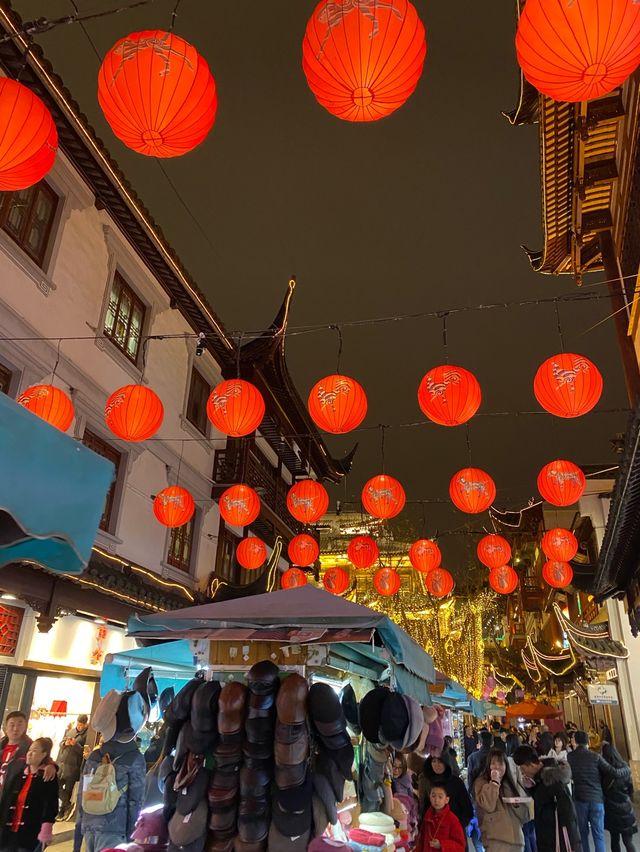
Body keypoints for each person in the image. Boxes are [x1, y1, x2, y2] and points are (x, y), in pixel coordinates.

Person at [81, 734, 146, 852]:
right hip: (115, 827)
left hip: (90, 824)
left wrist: (80, 824)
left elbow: (83, 791)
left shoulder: (94, 756)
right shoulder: (135, 758)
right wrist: (132, 833)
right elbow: (135, 800)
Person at [568, 730, 629, 852]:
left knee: (583, 834)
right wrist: (626, 770)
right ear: (588, 742)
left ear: (575, 741)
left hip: (580, 800)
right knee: (598, 835)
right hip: (596, 800)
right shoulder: (595, 756)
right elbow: (613, 772)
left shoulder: (571, 757)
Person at [513, 744, 580, 852]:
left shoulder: (553, 781)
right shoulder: (540, 779)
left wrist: (568, 845)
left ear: (532, 765)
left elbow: (568, 816)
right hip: (546, 835)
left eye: (522, 768)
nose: (522, 772)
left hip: (557, 838)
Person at [0, 737, 59, 852]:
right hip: (8, 834)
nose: (29, 754)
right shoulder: (18, 774)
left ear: (44, 755)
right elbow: (7, 798)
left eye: (35, 751)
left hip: (30, 834)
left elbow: (51, 804)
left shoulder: (47, 776)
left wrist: (46, 828)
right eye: (29, 750)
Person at [474, 749, 529, 852]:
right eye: (493, 763)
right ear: (488, 765)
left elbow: (525, 817)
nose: (497, 767)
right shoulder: (481, 783)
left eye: (501, 763)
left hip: (517, 842)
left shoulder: (510, 783)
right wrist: (494, 782)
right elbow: (488, 806)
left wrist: (517, 805)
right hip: (495, 842)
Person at [0, 712, 56, 806]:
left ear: (25, 727)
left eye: (20, 724)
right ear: (5, 727)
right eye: (12, 724)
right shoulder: (2, 746)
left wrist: (51, 765)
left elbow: (46, 759)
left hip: (13, 800)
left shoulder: (30, 747)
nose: (15, 728)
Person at [419, 754, 473, 831]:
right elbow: (423, 807)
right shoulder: (425, 781)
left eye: (440, 761)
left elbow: (467, 809)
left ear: (446, 762)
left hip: (455, 829)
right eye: (434, 761)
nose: (436, 765)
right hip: (432, 830)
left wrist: (458, 826)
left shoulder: (456, 782)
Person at [601, 742, 637, 852]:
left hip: (612, 809)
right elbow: (631, 789)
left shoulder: (605, 772)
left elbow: (603, 791)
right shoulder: (626, 769)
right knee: (628, 841)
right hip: (626, 808)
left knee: (614, 839)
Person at [416, 783, 466, 852]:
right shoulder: (427, 816)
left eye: (440, 797)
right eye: (433, 796)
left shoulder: (453, 820)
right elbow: (421, 841)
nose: (436, 800)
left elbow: (460, 847)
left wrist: (442, 845)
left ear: (447, 800)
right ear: (429, 797)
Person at [57, 714, 89, 821]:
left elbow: (84, 752)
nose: (79, 727)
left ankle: (62, 811)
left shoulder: (87, 735)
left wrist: (75, 744)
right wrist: (65, 743)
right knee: (57, 785)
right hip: (63, 764)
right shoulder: (71, 731)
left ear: (85, 724)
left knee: (68, 789)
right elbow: (61, 744)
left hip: (74, 766)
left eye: (82, 725)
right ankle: (67, 804)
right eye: (78, 724)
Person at [467, 731, 495, 798]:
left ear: (480, 742)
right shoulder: (497, 756)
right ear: (492, 743)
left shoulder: (472, 757)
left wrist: (471, 791)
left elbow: (470, 777)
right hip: (494, 790)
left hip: (477, 791)